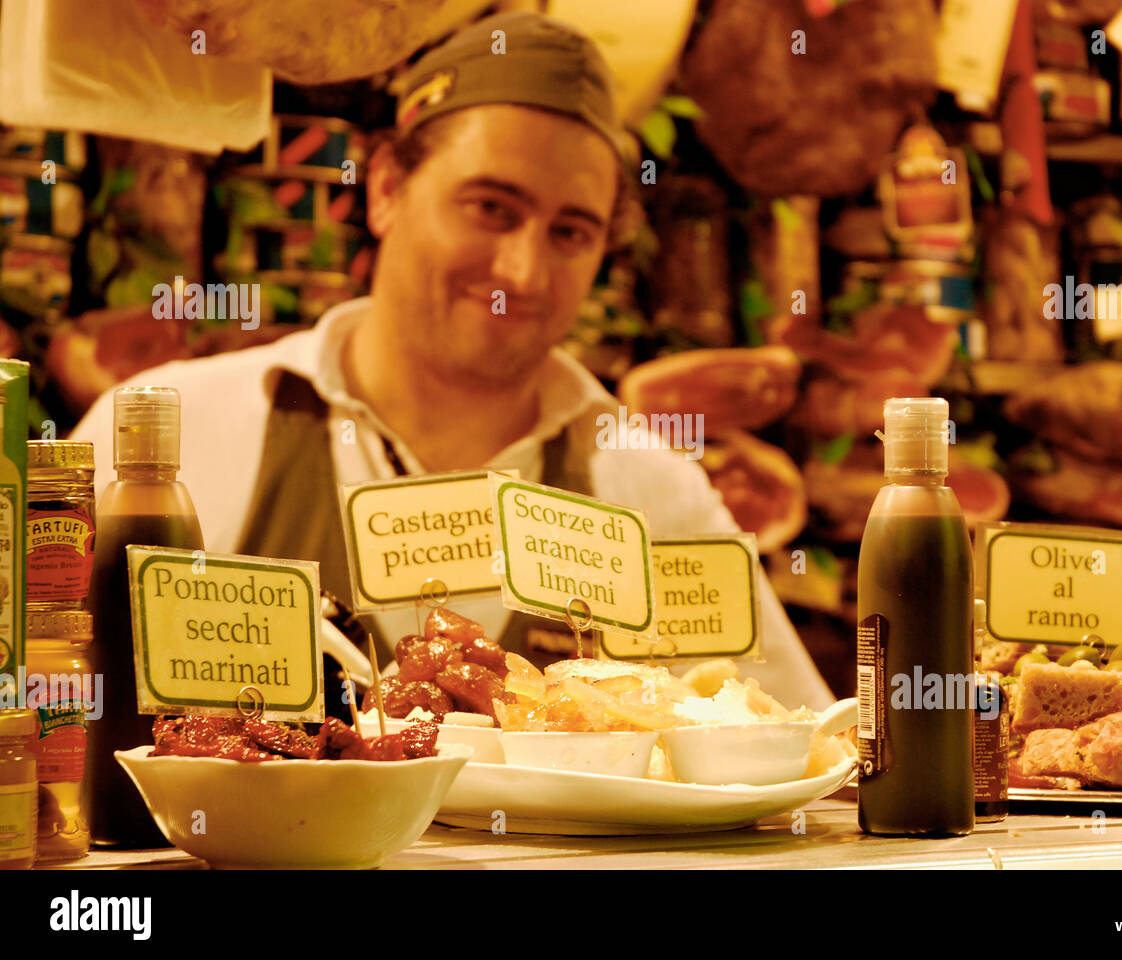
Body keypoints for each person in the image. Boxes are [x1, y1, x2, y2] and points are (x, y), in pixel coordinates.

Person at [71, 11, 833, 709]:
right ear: (387, 189)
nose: (521, 273)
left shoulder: (650, 490)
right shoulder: (170, 437)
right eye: (491, 208)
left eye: (569, 231)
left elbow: (782, 751)